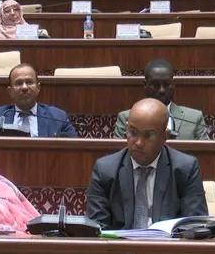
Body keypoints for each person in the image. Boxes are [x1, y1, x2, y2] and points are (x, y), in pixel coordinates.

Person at [86, 98, 208, 230]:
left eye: (149, 135)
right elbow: (96, 229)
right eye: (133, 132)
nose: (138, 143)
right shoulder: (105, 170)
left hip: (168, 242)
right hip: (120, 243)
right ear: (126, 129)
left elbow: (194, 226)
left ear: (165, 136)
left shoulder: (185, 169)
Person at [114, 59, 209, 140]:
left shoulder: (194, 118)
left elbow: (205, 154)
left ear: (173, 85)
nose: (161, 90)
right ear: (145, 85)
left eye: (166, 84)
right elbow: (118, 153)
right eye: (155, 85)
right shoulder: (126, 118)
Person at [0, 63, 77, 137]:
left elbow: (74, 150)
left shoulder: (58, 117)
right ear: (10, 91)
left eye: (29, 82)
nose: (24, 87)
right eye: (18, 83)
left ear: (38, 88)